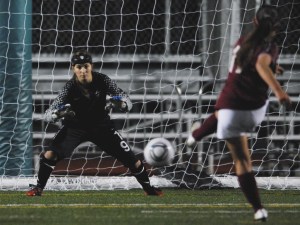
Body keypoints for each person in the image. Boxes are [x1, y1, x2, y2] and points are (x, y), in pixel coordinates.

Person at [188, 5, 291, 222]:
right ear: (276, 27)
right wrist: (280, 91)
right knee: (226, 122)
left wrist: (275, 77)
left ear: (254, 21)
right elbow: (262, 64)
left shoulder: (241, 43)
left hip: (229, 109)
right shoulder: (270, 45)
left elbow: (258, 64)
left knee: (242, 161)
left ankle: (258, 209)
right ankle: (195, 135)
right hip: (254, 110)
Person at [26, 51, 163, 197]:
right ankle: (39, 188)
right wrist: (58, 114)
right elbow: (48, 115)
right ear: (73, 68)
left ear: (91, 66)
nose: (83, 71)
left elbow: (127, 102)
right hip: (75, 127)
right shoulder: (69, 87)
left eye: (86, 66)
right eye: (79, 67)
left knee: (133, 161)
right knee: (50, 154)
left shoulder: (103, 80)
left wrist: (121, 104)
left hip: (101, 127)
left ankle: (149, 189)